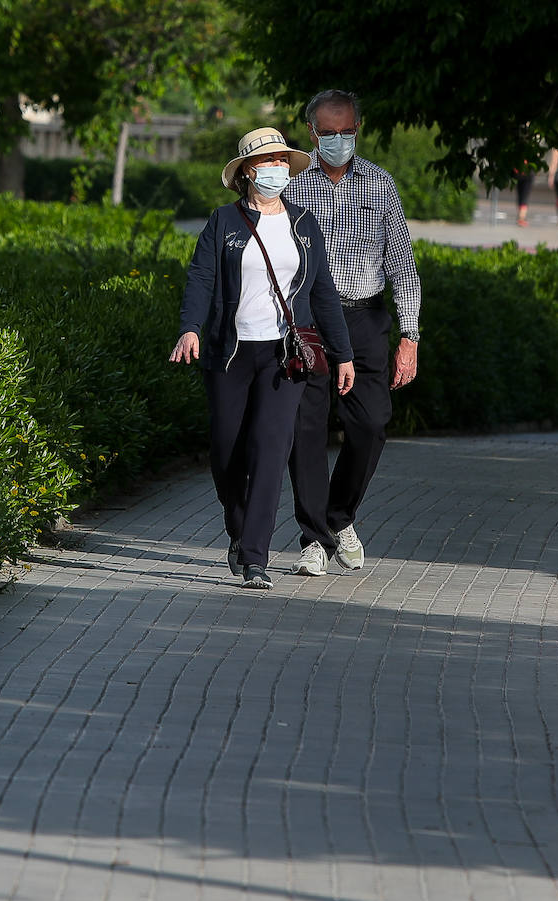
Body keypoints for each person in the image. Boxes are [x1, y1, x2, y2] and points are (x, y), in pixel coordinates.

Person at [170, 127, 355, 589]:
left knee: (271, 451)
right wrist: (190, 328)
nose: (276, 169)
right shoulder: (223, 223)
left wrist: (344, 354)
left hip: (285, 356)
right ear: (248, 172)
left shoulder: (303, 224)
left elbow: (324, 294)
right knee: (228, 453)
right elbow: (201, 279)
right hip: (229, 354)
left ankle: (256, 558)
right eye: (267, 162)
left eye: (281, 162)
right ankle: (238, 530)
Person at [283, 89, 422, 577]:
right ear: (312, 133)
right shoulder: (292, 187)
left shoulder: (380, 185)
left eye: (347, 132)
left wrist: (410, 337)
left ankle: (338, 518)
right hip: (309, 322)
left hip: (364, 318)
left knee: (369, 425)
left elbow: (403, 264)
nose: (339, 140)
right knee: (305, 430)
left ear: (357, 130)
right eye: (329, 132)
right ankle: (314, 538)